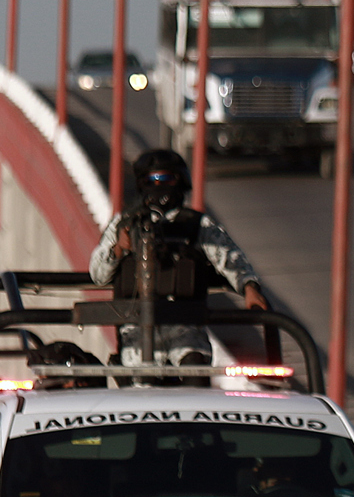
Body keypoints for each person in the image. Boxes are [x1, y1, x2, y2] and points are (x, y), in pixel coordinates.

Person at [88, 150, 268, 366]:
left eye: (165, 178)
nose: (158, 185)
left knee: (194, 375)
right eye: (151, 179)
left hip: (185, 324)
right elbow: (97, 274)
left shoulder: (195, 224)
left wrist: (249, 287)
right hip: (136, 327)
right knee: (140, 389)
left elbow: (228, 255)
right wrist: (119, 249)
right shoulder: (124, 223)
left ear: (179, 181)